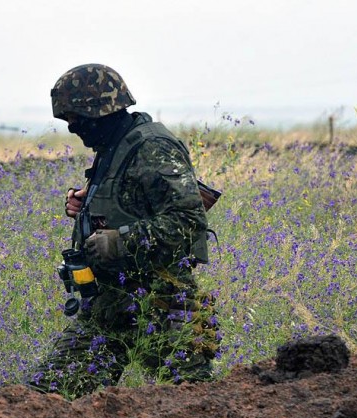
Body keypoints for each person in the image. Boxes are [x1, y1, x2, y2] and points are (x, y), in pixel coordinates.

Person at [29, 64, 219, 399]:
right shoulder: (113, 148)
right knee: (47, 400)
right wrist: (85, 206)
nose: (72, 127)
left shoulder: (153, 148)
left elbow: (189, 222)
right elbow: (130, 203)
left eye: (77, 118)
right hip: (108, 309)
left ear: (101, 111)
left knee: (192, 412)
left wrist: (117, 243)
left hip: (162, 308)